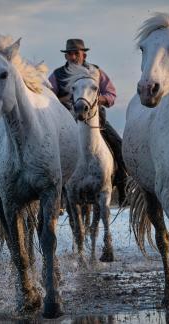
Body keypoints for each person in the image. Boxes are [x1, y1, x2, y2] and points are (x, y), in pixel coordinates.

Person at [49, 39, 127, 205]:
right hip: (67, 121)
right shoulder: (57, 75)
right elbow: (49, 96)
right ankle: (57, 194)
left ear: (83, 54)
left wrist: (98, 99)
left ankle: (122, 189)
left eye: (76, 53)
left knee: (118, 144)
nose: (72, 56)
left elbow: (111, 94)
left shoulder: (96, 72)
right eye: (69, 53)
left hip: (96, 119)